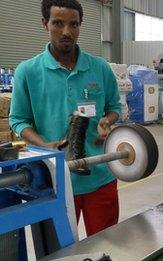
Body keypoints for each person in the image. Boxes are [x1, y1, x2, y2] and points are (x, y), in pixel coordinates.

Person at [9, 0, 121, 236]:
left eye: (74, 24)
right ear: (45, 24)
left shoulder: (99, 68)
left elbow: (114, 107)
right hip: (53, 181)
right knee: (60, 251)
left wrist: (107, 121)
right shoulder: (27, 72)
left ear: (80, 26)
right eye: (58, 23)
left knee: (106, 245)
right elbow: (18, 120)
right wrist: (45, 147)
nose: (66, 32)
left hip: (100, 177)